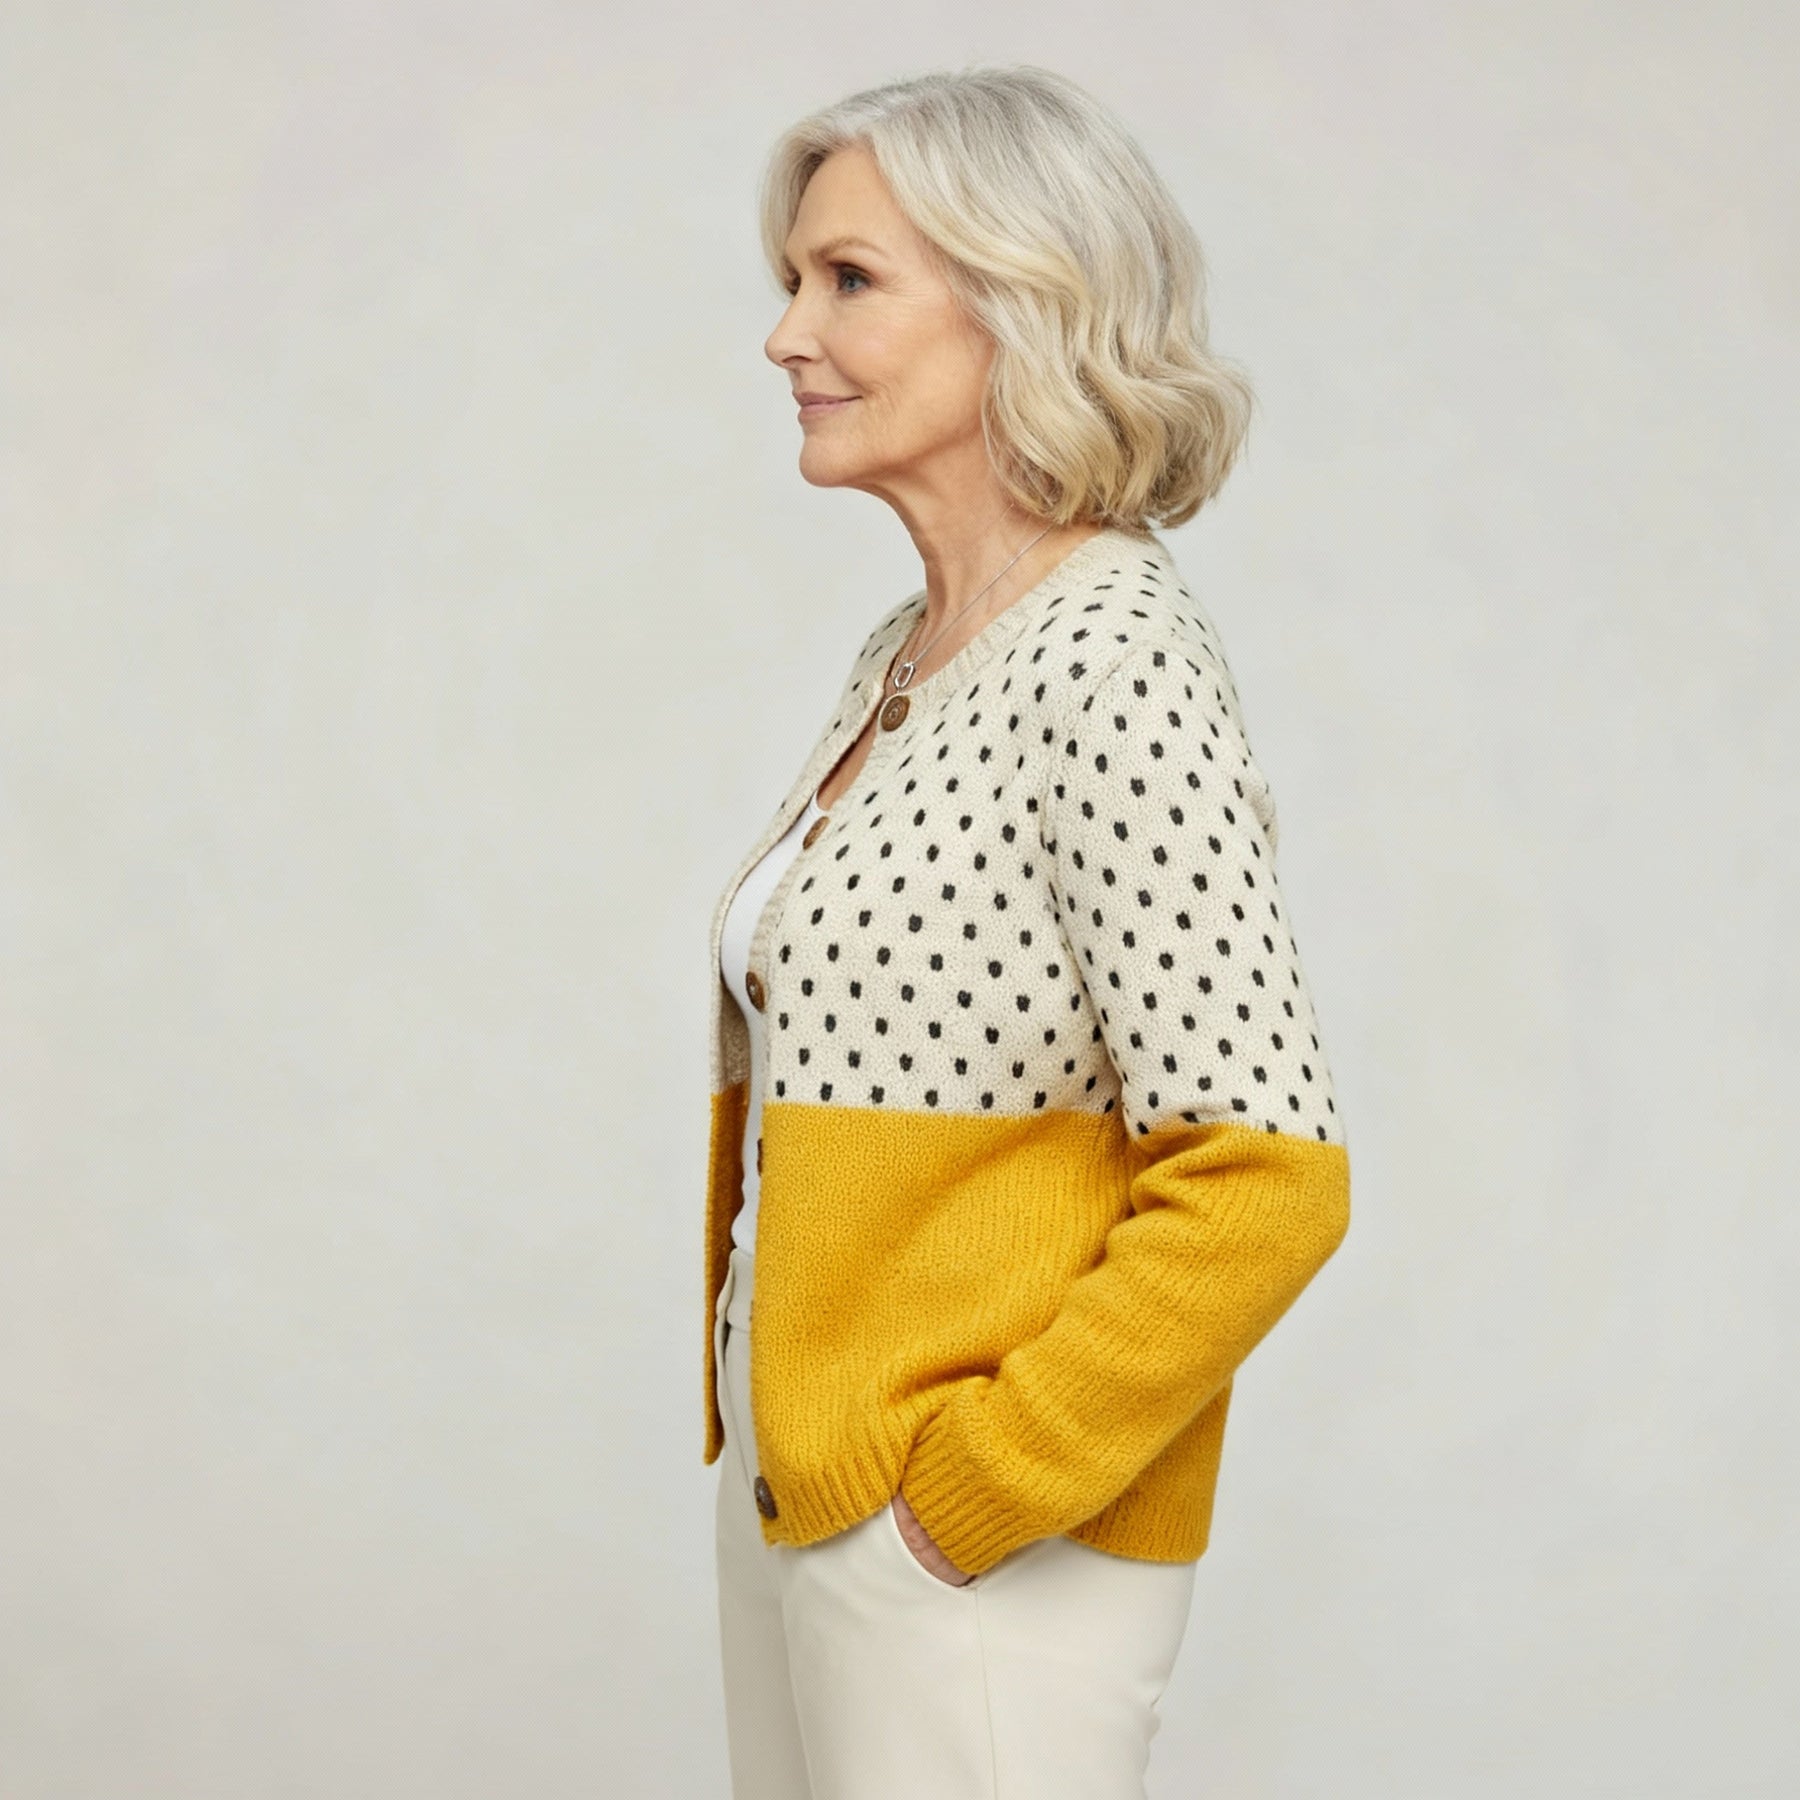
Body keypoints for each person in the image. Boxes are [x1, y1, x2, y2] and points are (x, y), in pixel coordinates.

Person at [704, 64, 1352, 1800]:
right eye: (791, 279)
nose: (784, 334)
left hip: (966, 1543)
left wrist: (971, 1496)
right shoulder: (913, 650)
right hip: (812, 1481)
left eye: (847, 279)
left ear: (1023, 304)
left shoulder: (1112, 658)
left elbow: (1268, 1174)